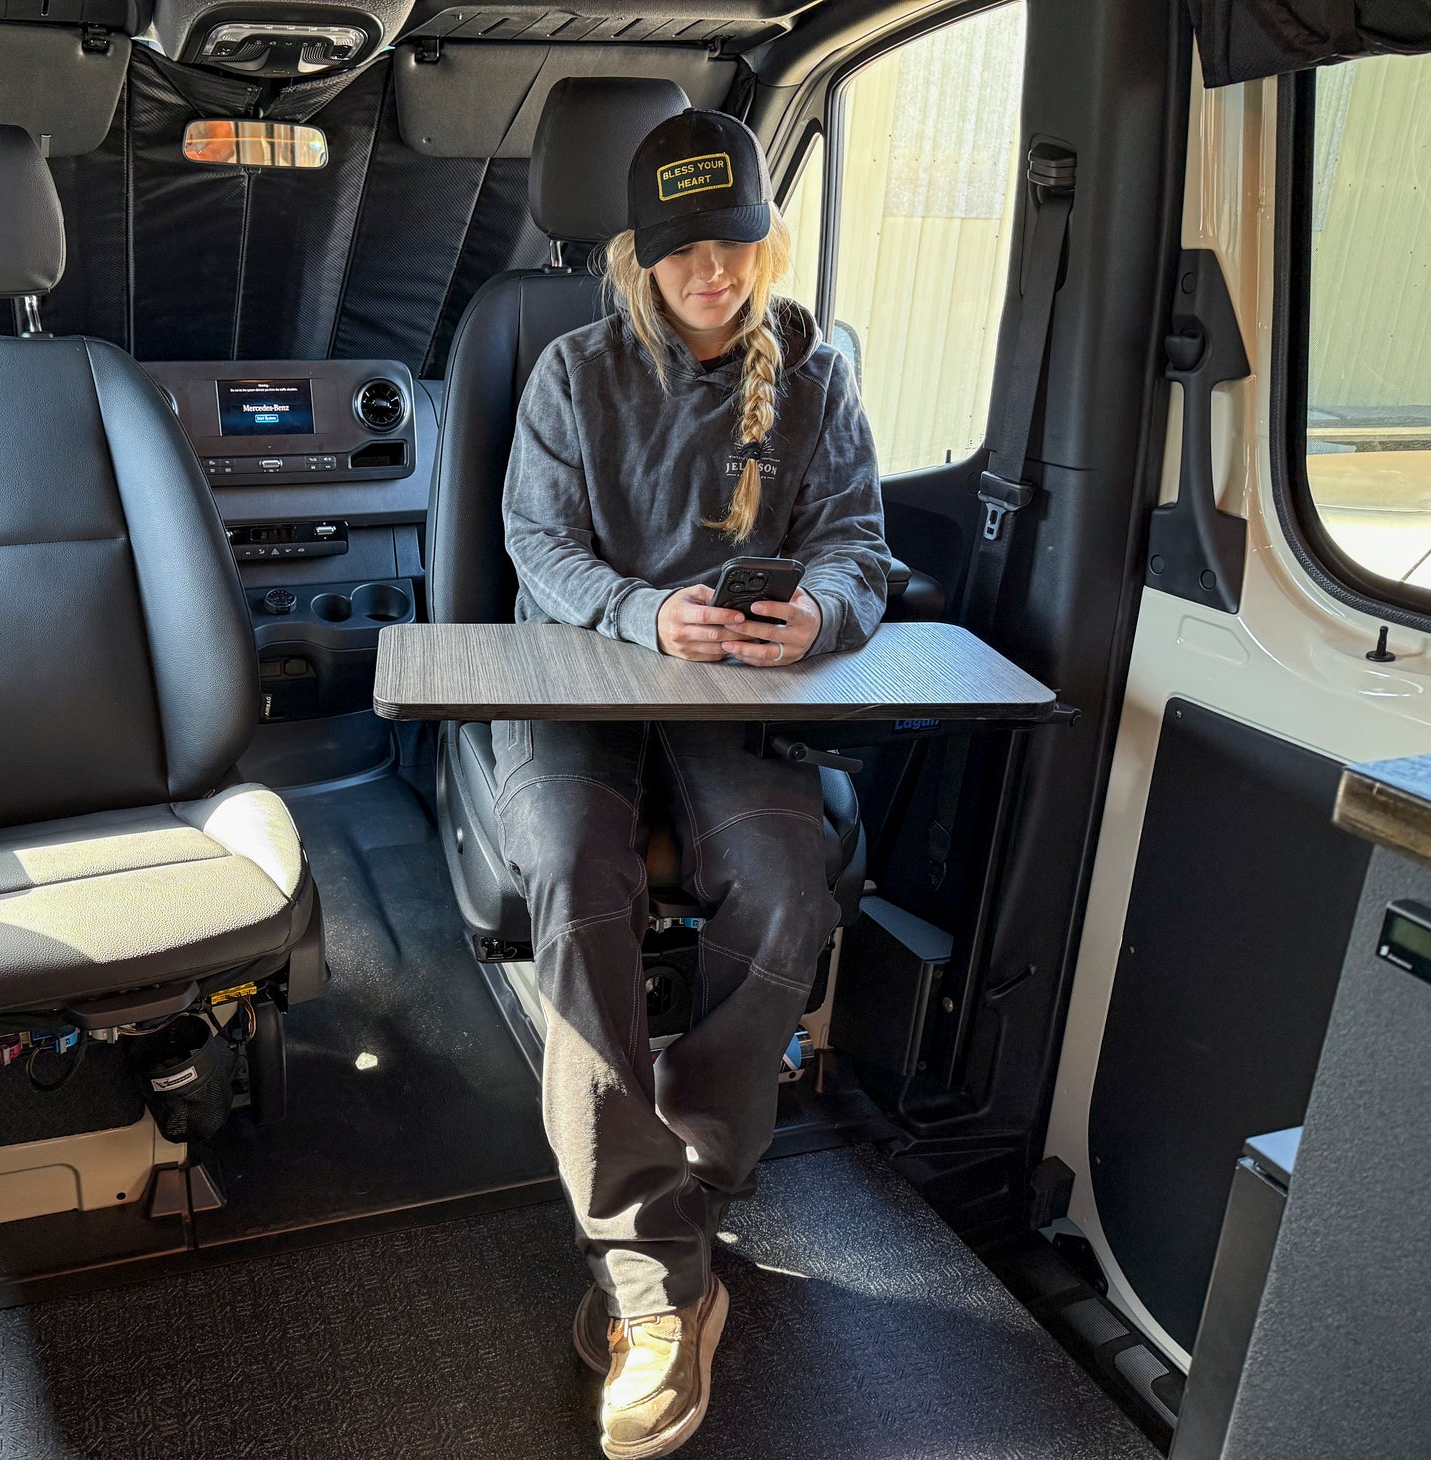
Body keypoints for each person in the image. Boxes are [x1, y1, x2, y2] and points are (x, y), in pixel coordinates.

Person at [495, 108, 891, 1458]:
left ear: (762, 239)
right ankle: (657, 1283)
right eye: (680, 253)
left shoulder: (817, 376)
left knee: (789, 885)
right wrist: (635, 612)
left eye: (730, 242)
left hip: (732, 700)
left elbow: (855, 542)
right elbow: (533, 543)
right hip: (579, 684)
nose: (709, 273)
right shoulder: (567, 370)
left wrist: (820, 618)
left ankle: (682, 1198)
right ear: (635, 257)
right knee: (568, 874)